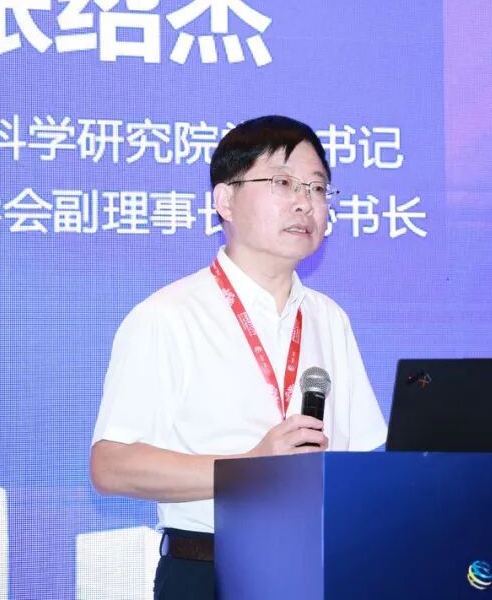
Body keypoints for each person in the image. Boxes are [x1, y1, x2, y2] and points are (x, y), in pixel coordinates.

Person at [90, 115, 387, 599]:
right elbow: (111, 465)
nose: (304, 202)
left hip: (318, 571)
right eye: (282, 183)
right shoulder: (168, 316)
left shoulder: (329, 319)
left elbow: (359, 459)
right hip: (208, 572)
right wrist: (249, 468)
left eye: (317, 188)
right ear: (225, 200)